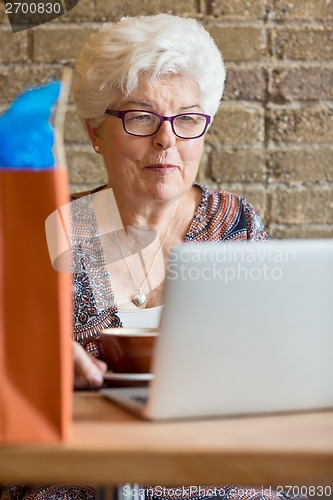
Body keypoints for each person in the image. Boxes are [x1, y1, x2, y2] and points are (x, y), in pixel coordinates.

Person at [5, 13, 305, 500]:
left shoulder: (235, 227)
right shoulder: (48, 232)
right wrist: (35, 370)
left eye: (187, 118)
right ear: (95, 132)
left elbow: (282, 373)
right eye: (141, 117)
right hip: (79, 479)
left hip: (216, 479)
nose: (166, 140)